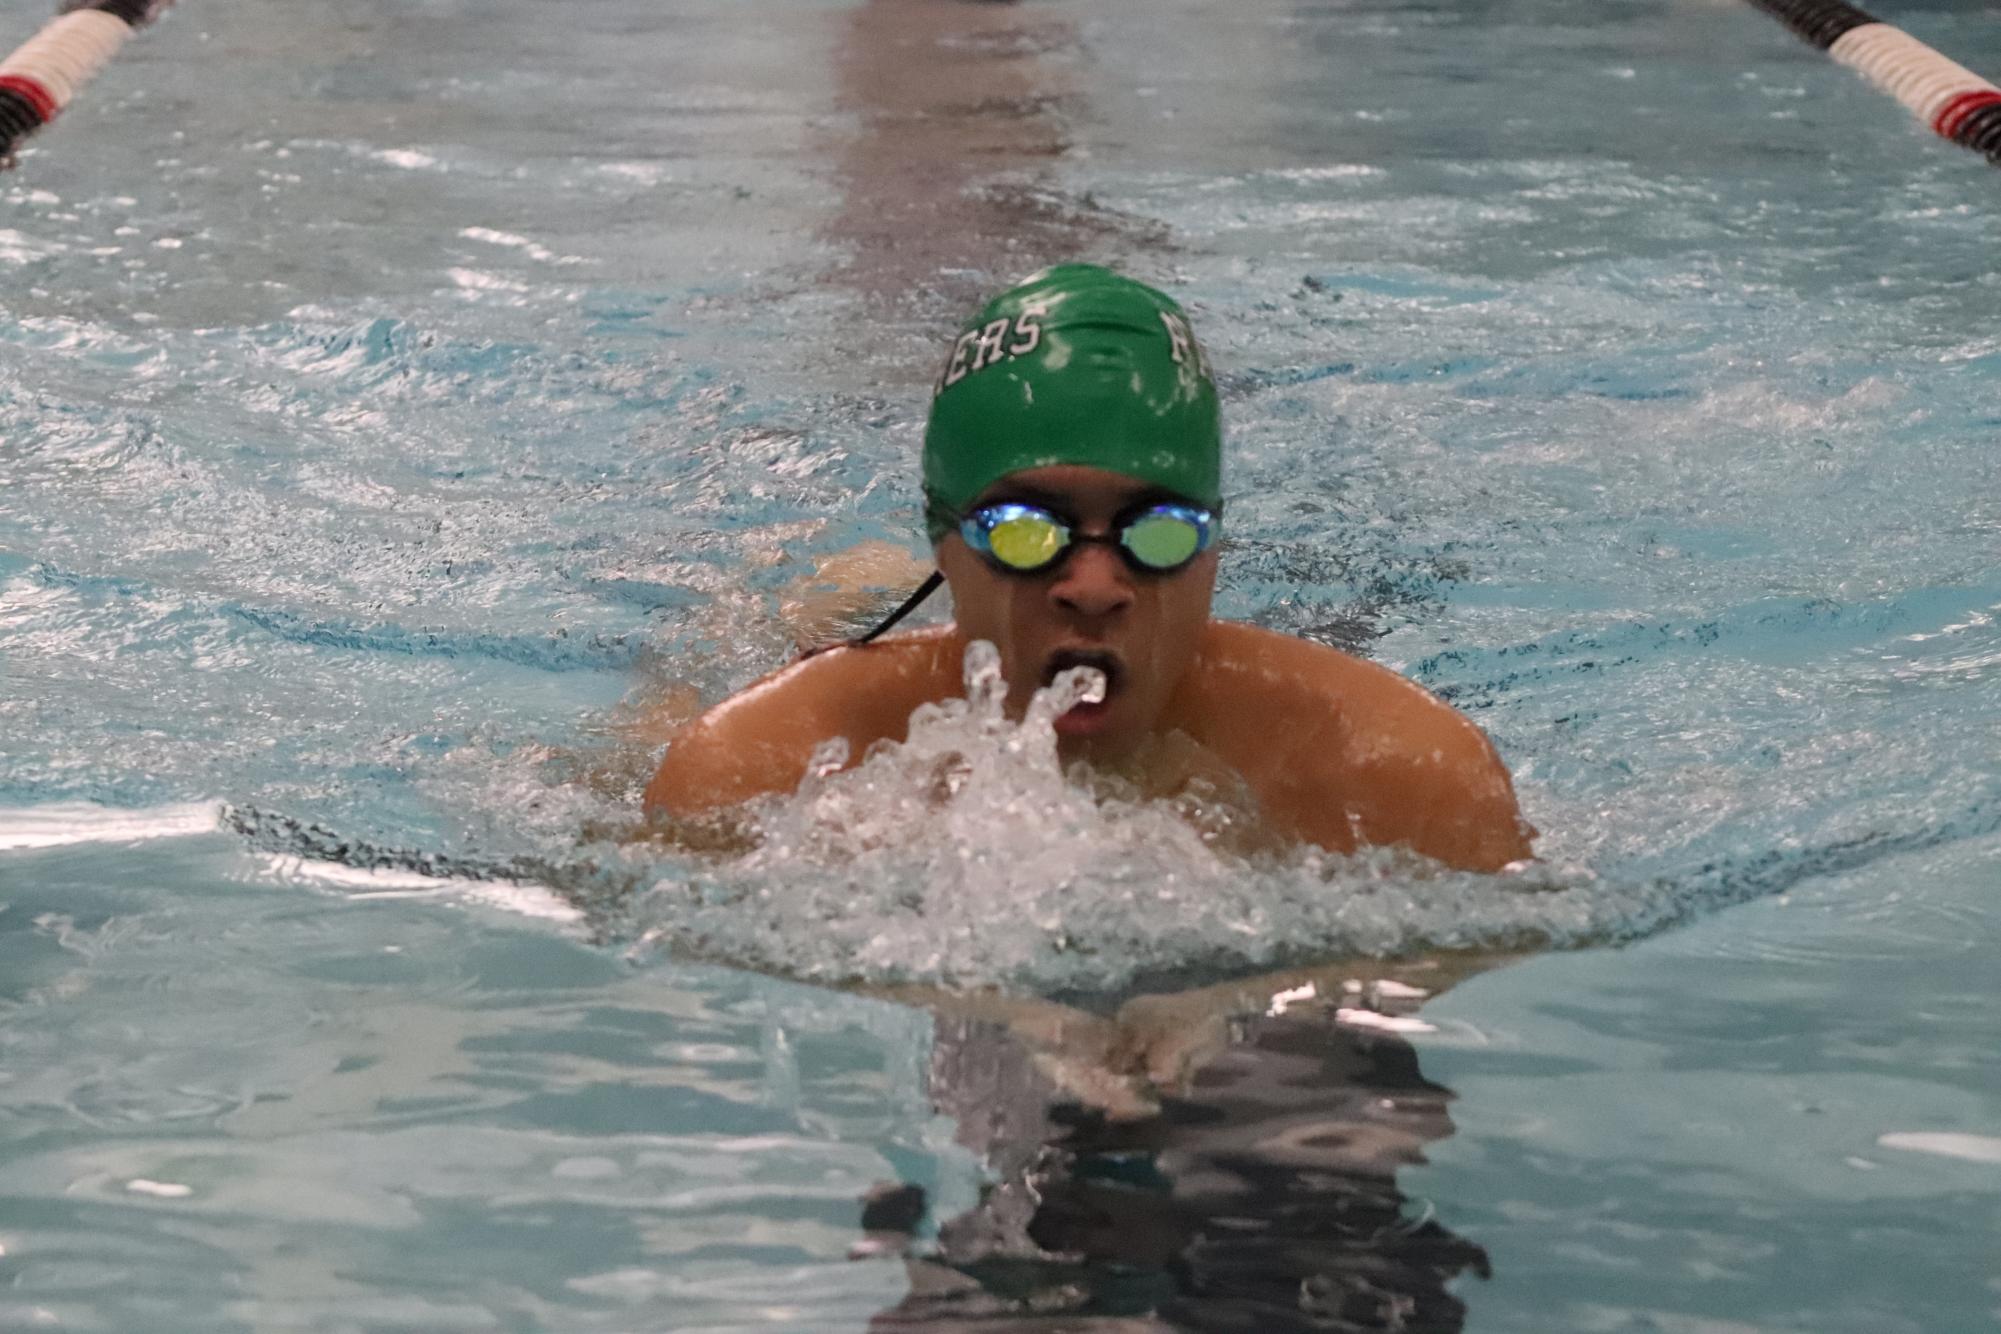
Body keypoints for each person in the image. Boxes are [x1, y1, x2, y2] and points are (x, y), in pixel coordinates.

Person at [644, 263, 1534, 872]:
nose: (1096, 587)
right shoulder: (753, 768)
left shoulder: (1404, 775)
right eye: (1027, 530)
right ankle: (841, 580)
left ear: (1215, 546)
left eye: (1157, 532)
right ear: (943, 540)